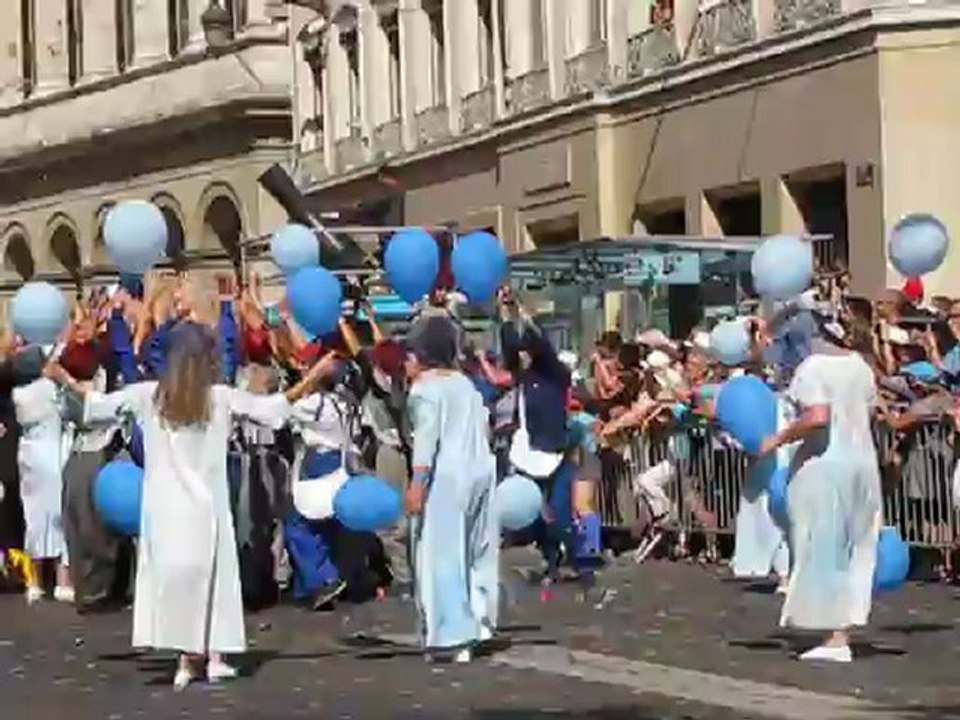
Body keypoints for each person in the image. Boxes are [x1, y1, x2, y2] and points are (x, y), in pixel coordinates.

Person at [47, 321, 337, 689]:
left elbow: (94, 406)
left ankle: (187, 657)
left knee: (176, 583)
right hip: (207, 507)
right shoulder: (219, 398)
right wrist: (314, 376)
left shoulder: (147, 396)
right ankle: (214, 655)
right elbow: (273, 408)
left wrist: (62, 378)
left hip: (165, 508)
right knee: (214, 580)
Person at [759, 319, 882, 663]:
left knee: (820, 544)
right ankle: (842, 629)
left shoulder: (812, 368)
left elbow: (818, 415)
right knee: (854, 545)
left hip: (824, 465)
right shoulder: (861, 367)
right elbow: (868, 412)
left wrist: (779, 439)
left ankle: (834, 636)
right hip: (861, 461)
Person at [404, 315, 499, 663]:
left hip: (446, 477)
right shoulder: (466, 384)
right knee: (478, 552)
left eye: (410, 354)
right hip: (480, 470)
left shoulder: (425, 389)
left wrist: (417, 484)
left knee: (442, 556)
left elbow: (426, 439)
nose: (406, 362)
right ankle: (481, 621)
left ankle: (451, 634)